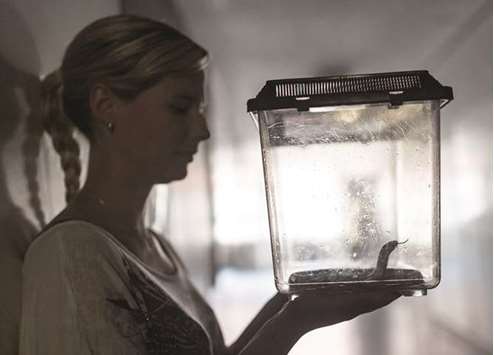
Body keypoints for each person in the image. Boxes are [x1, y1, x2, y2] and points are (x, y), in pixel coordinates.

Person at [19, 14, 400, 355]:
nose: (202, 130)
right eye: (180, 107)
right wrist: (294, 320)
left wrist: (295, 301)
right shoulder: (71, 253)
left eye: (200, 110)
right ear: (105, 105)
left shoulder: (155, 248)